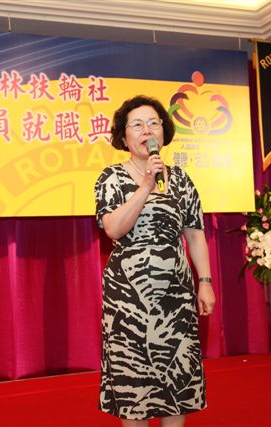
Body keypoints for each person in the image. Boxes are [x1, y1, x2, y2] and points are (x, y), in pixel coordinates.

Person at [94, 95, 216, 427]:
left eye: (153, 123)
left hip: (175, 295)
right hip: (128, 299)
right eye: (137, 124)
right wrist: (146, 184)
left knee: (176, 377)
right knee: (133, 382)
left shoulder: (181, 180)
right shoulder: (111, 178)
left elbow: (195, 235)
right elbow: (114, 229)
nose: (147, 130)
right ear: (124, 137)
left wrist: (205, 282)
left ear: (163, 132)